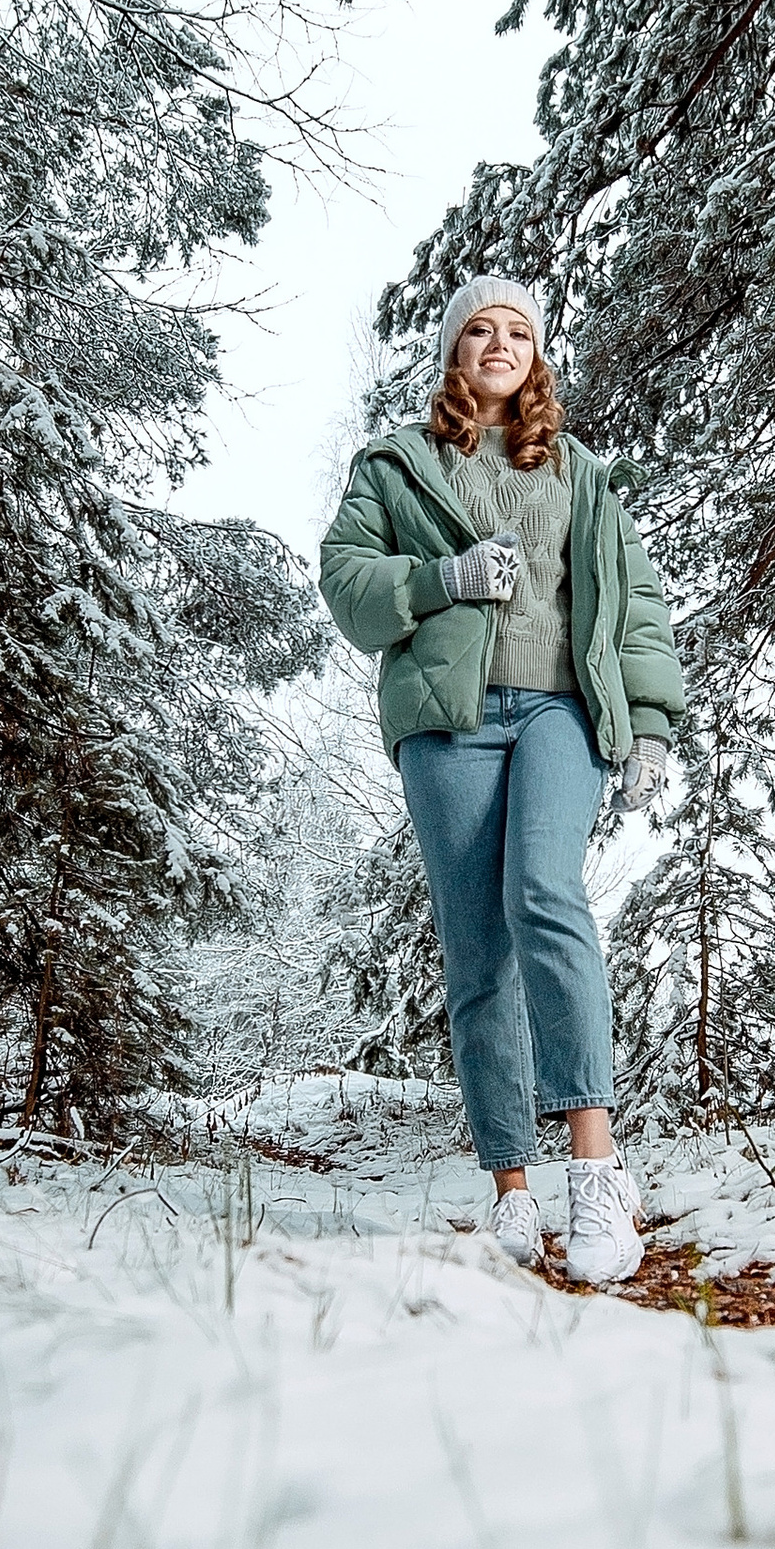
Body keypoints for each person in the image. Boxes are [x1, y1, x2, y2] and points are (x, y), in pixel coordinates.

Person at [319, 275, 686, 1283]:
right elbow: (347, 584)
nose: (497, 342)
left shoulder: (581, 474)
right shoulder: (397, 465)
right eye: (478, 328)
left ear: (537, 354)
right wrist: (441, 579)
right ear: (451, 350)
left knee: (546, 896)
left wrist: (648, 720)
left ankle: (596, 1170)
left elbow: (636, 604)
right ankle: (511, 1192)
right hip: (451, 723)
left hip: (560, 708)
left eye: (516, 330)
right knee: (478, 946)